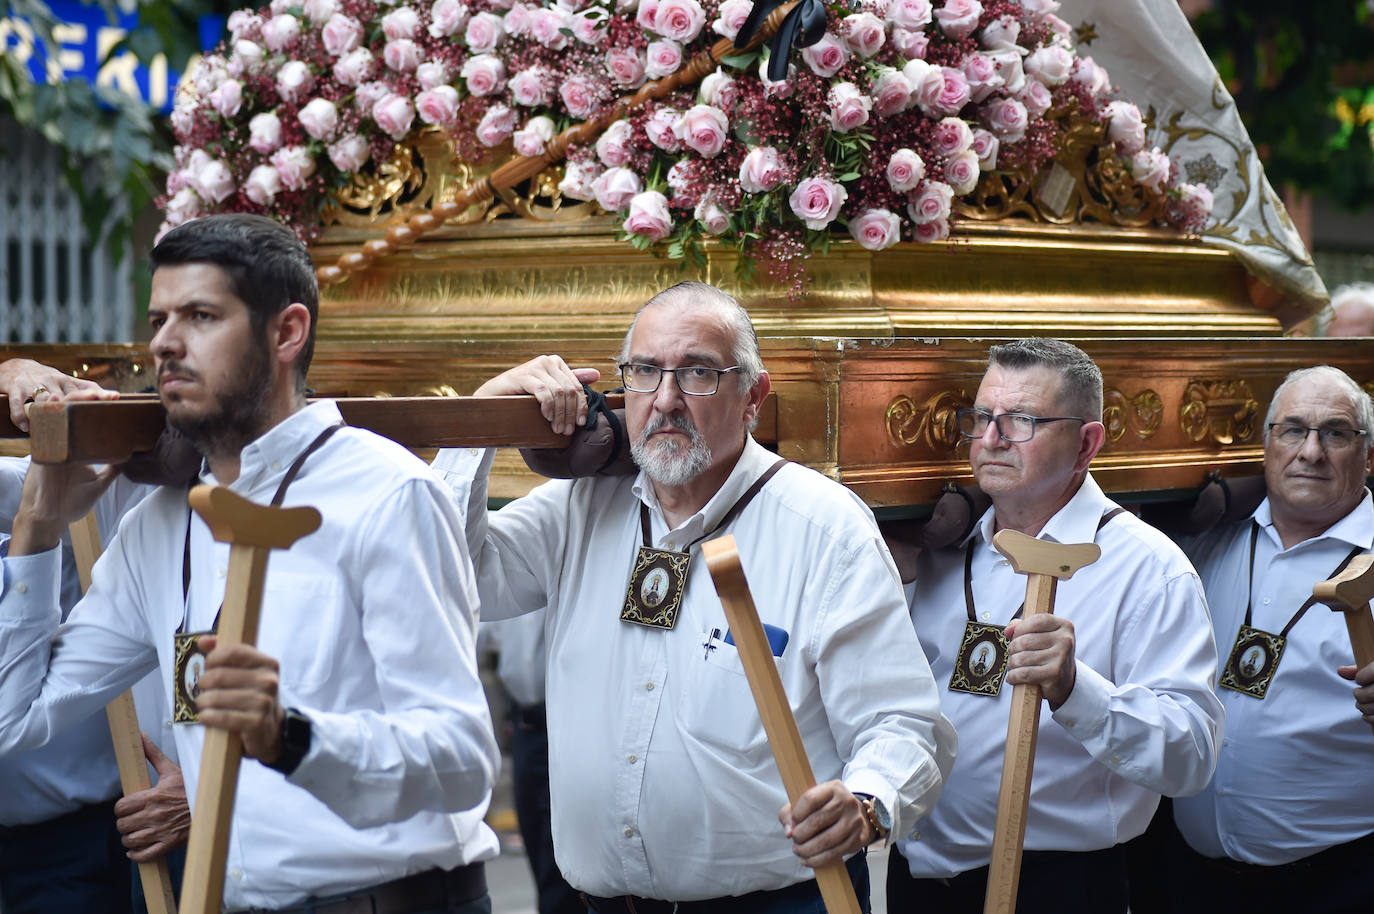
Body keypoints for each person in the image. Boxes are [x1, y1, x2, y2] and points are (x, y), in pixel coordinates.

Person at [0, 214, 500, 913]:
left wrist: (290, 736)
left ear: (286, 333)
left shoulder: (385, 494)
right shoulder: (158, 528)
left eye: (201, 316)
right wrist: (38, 527)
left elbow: (461, 765)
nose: (166, 344)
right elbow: (15, 723)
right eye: (158, 319)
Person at [433, 280, 955, 913]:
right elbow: (448, 577)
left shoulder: (823, 528)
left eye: (699, 374)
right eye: (645, 373)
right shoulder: (580, 509)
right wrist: (479, 421)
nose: (666, 401)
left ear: (752, 397)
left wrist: (865, 804)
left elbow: (901, 722)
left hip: (777, 903)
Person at [889, 338, 1223, 914]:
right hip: (918, 880)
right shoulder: (940, 550)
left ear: (1086, 443)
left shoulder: (1148, 569)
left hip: (1056, 886)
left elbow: (1190, 756)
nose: (991, 439)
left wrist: (1076, 689)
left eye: (1022, 421)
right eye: (982, 418)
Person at [1166, 365, 1374, 913]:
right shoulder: (1201, 544)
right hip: (1189, 877)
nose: (1311, 452)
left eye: (1335, 433)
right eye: (1292, 431)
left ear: (1369, 456)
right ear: (1266, 446)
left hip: (1340, 880)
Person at [0, 361, 180, 914]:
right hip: (29, 845)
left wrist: (214, 783)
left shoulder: (68, 483)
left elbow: (190, 632)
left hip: (133, 819)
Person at [479, 611, 583, 914]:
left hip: (564, 722)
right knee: (536, 843)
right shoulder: (512, 574)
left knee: (560, 864)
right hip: (526, 728)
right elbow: (481, 635)